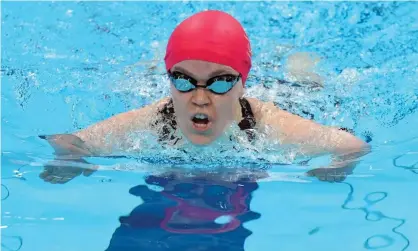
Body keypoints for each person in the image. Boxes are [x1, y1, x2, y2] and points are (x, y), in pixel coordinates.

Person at [39, 10, 370, 183]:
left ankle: (298, 65)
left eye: (220, 83)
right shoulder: (155, 120)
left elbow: (353, 146)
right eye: (183, 81)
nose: (199, 97)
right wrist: (68, 159)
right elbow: (71, 141)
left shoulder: (270, 125)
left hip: (288, 97)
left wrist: (338, 167)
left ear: (242, 84)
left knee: (309, 84)